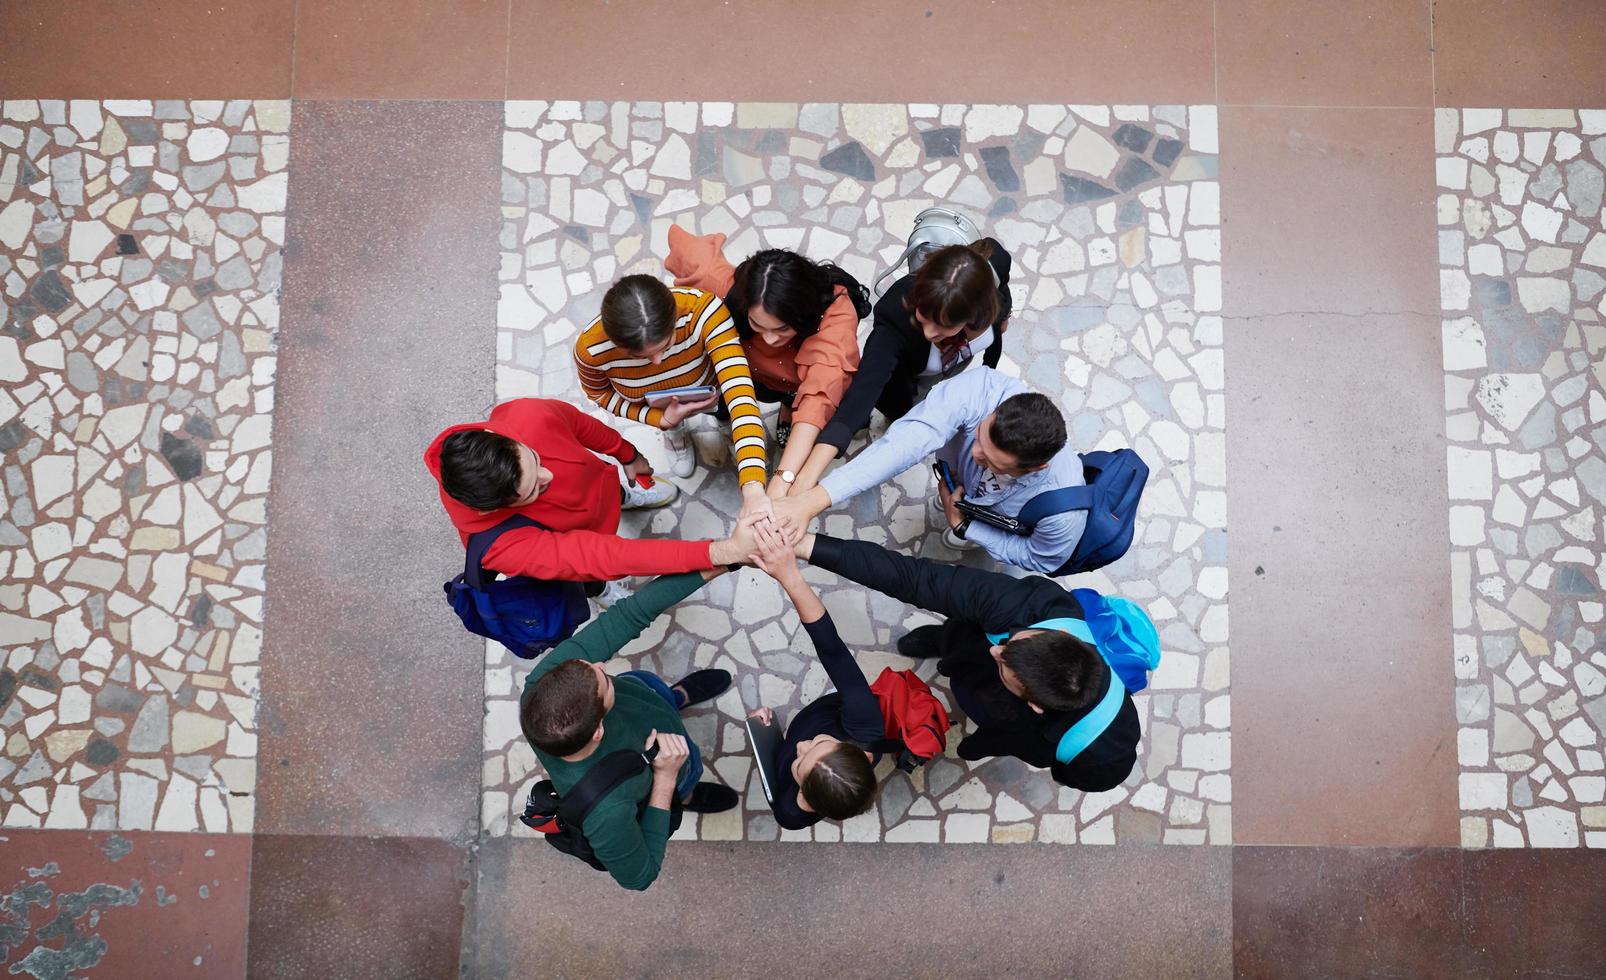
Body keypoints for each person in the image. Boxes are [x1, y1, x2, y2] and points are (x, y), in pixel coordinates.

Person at [792, 531, 1141, 792]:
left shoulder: (1079, 748)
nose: (996, 651)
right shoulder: (1037, 606)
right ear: (1053, 634)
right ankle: (943, 642)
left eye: (1005, 665)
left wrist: (979, 744)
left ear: (1034, 705)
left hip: (1009, 722)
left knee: (987, 729)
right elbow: (914, 578)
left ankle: (972, 721)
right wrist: (805, 546)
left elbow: (1035, 753)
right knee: (964, 645)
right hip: (978, 658)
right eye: (1011, 643)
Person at [519, 565, 744, 891]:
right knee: (686, 768)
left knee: (653, 690)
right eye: (605, 683)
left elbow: (631, 614)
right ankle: (690, 793)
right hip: (666, 764)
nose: (599, 664)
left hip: (644, 700)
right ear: (598, 731)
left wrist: (724, 559)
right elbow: (639, 876)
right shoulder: (606, 817)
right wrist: (667, 781)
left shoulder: (541, 688)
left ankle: (675, 697)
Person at [426, 397, 761, 606]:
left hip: (597, 487)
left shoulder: (526, 415)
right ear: (491, 509)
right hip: (577, 543)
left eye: (536, 460)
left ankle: (625, 495)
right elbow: (608, 555)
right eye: (533, 491)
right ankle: (601, 592)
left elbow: (581, 426)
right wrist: (719, 551)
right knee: (587, 574)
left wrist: (626, 454)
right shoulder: (502, 546)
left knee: (612, 491)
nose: (549, 477)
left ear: (497, 437)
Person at [774, 367, 1087, 573]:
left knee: (959, 529)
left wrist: (966, 528)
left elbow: (1039, 557)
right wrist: (812, 500)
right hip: (956, 485)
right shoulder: (981, 390)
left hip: (990, 520)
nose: (975, 454)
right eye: (977, 438)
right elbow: (903, 444)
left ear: (1035, 468)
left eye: (992, 463)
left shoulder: (1062, 517)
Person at [788, 238, 1014, 494]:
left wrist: (991, 362)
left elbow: (1000, 311)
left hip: (950, 365)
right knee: (900, 409)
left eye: (943, 326)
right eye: (924, 317)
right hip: (906, 370)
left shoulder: (996, 269)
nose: (929, 332)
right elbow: (864, 390)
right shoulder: (896, 315)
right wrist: (807, 476)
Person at [663, 226, 868, 499]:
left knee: (800, 399)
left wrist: (782, 480)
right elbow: (682, 243)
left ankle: (788, 408)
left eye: (783, 329)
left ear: (804, 313)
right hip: (743, 374)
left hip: (795, 381)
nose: (770, 339)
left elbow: (818, 394)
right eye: (756, 324)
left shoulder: (835, 315)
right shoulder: (718, 284)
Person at [574, 275, 770, 519]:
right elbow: (598, 393)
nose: (657, 362)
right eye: (639, 356)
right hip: (656, 405)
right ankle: (674, 432)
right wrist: (659, 419)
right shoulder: (591, 350)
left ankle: (726, 426)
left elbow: (741, 397)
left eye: (665, 346)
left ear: (674, 320)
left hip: (710, 389)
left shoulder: (703, 311)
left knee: (727, 411)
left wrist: (752, 486)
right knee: (672, 423)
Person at [744, 523, 882, 830]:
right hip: (828, 710)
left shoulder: (790, 814)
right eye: (820, 742)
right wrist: (789, 575)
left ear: (807, 796)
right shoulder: (867, 723)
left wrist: (772, 740)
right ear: (853, 751)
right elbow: (832, 649)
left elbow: (786, 758)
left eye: (798, 765)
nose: (801, 745)